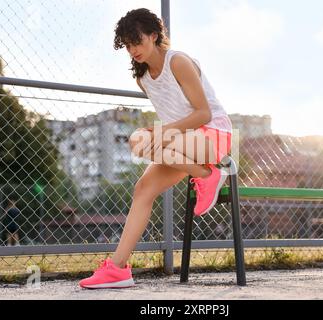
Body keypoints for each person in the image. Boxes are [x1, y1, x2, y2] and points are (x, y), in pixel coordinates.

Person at [79, 8, 233, 289]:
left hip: (213, 137)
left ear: (154, 35)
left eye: (137, 41)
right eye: (127, 45)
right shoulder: (143, 78)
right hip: (183, 142)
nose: (132, 50)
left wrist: (163, 133)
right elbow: (173, 118)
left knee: (147, 141)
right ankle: (118, 268)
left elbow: (203, 114)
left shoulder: (179, 62)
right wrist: (158, 133)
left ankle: (208, 174)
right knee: (141, 181)